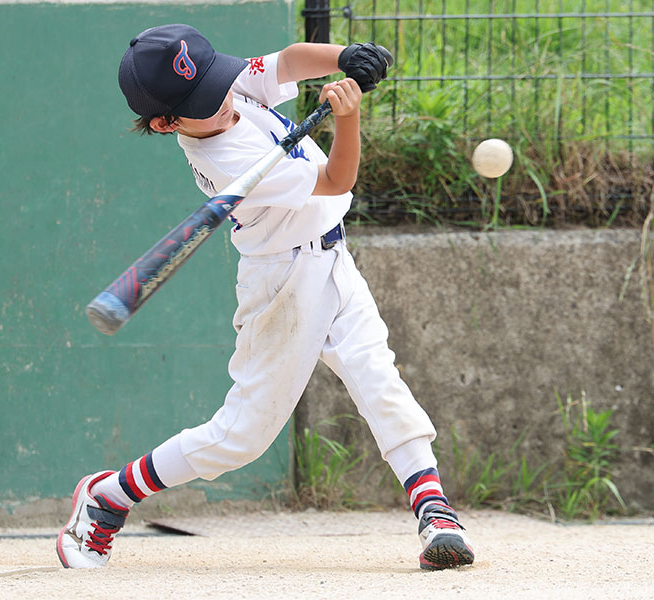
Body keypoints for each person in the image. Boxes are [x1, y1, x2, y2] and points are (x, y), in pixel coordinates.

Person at [56, 23, 475, 572]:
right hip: (283, 283)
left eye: (219, 82)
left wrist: (344, 56)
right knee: (241, 438)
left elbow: (287, 62)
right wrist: (347, 118)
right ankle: (109, 494)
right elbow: (338, 180)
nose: (226, 98)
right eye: (207, 100)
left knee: (379, 379)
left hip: (332, 260)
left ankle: (434, 510)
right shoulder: (225, 162)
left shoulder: (225, 89)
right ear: (166, 123)